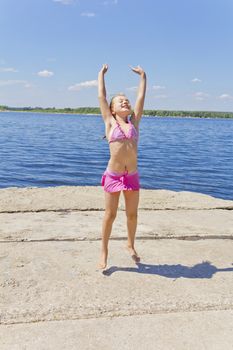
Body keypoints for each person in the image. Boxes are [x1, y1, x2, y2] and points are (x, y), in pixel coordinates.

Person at [98, 64, 146, 269]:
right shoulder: (109, 122)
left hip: (132, 175)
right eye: (120, 101)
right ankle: (104, 251)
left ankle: (130, 245)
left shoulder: (134, 122)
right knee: (110, 215)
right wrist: (101, 75)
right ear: (112, 109)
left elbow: (141, 99)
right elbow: (101, 96)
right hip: (114, 175)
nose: (125, 102)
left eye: (126, 101)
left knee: (132, 215)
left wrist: (144, 77)